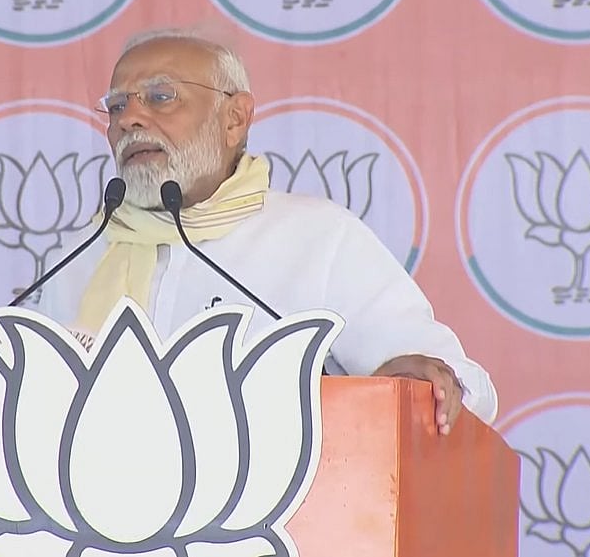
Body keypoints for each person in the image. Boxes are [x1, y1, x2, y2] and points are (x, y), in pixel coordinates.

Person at [34, 28, 498, 433]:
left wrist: (423, 382)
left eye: (160, 96)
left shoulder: (316, 237)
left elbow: (461, 385)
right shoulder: (78, 256)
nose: (128, 119)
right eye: (116, 106)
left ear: (234, 118)